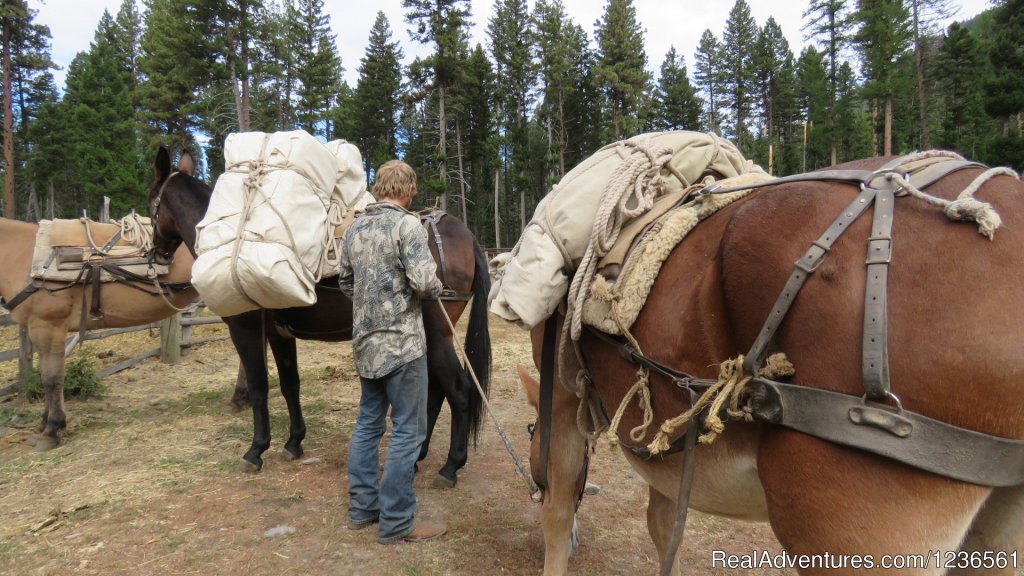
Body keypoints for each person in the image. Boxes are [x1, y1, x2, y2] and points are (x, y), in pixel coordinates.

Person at [337, 159, 446, 544]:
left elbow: (346, 283)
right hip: (403, 346)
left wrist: (373, 301)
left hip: (366, 347)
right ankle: (398, 520)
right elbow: (424, 282)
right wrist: (434, 288)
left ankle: (363, 508)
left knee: (368, 426)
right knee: (407, 432)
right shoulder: (407, 225)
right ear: (409, 190)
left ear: (378, 187)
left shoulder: (355, 228)